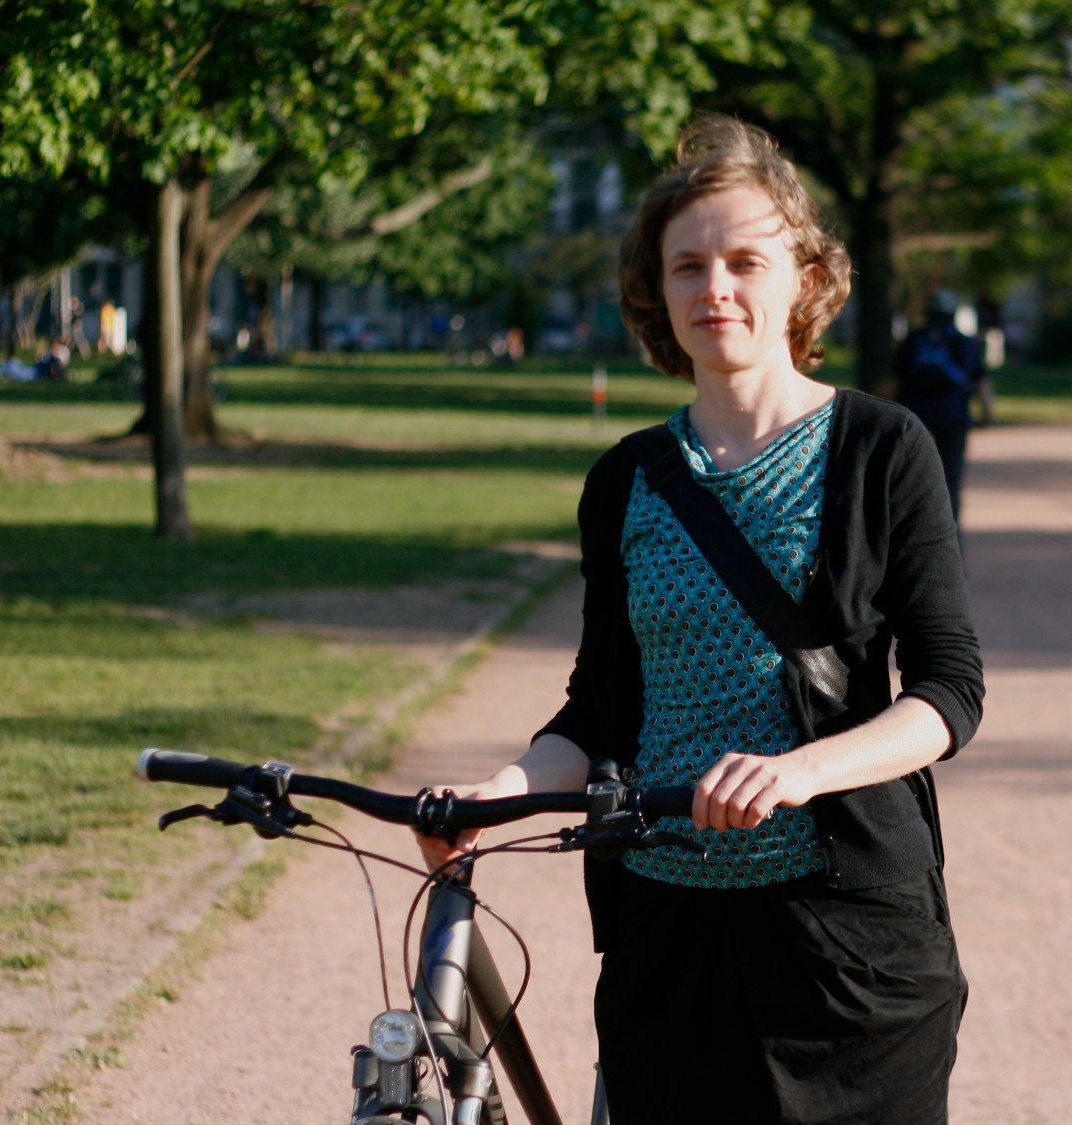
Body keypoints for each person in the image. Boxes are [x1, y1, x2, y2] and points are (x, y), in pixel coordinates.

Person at [414, 116, 982, 1125]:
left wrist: (798, 771)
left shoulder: (883, 448)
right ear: (657, 291)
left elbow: (948, 692)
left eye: (744, 261)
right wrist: (499, 792)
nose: (714, 288)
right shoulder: (625, 480)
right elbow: (600, 710)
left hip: (849, 950)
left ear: (805, 278)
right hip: (664, 938)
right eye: (687, 266)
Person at [894, 289, 988, 520]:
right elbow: (980, 381)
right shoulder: (965, 343)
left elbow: (898, 379)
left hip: (916, 417)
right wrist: (987, 412)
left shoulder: (913, 340)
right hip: (953, 416)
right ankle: (950, 530)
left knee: (912, 479)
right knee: (951, 480)